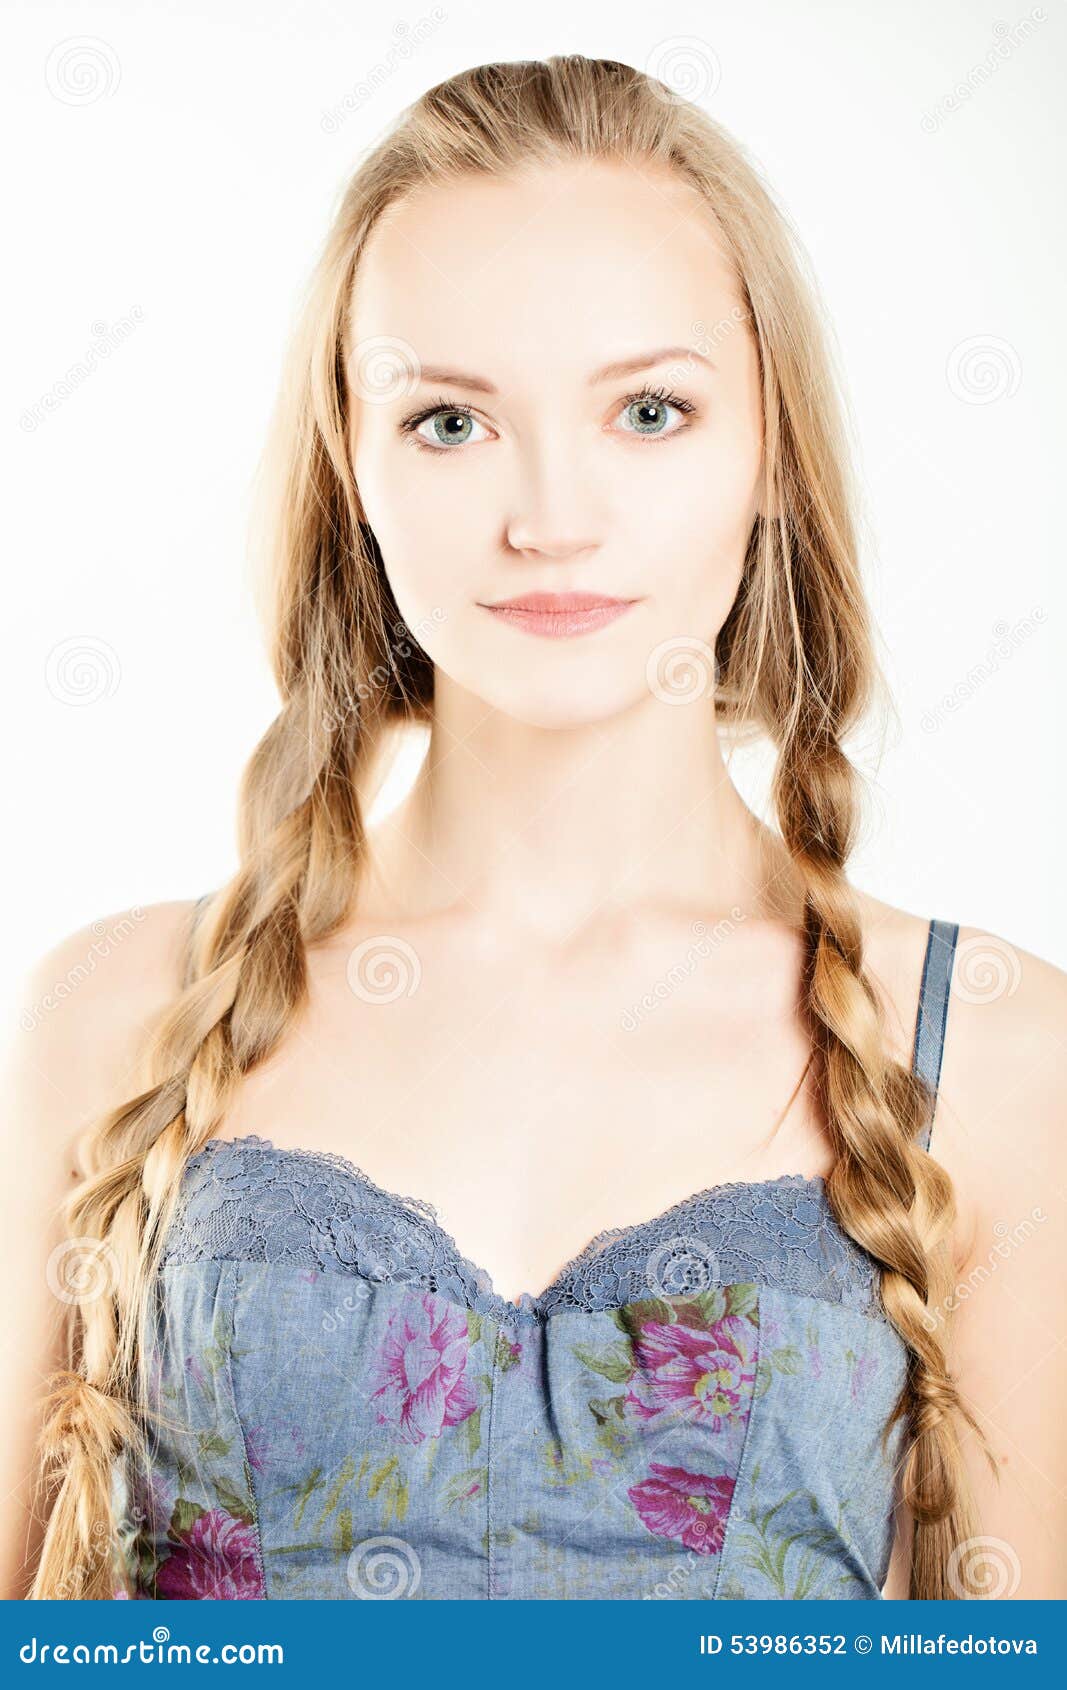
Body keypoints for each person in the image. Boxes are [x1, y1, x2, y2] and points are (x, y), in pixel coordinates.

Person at [5, 54, 1064, 1603]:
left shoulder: (996, 1051)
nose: (551, 516)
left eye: (649, 408)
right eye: (450, 422)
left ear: (769, 451)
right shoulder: (116, 1013)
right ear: (350, 465)